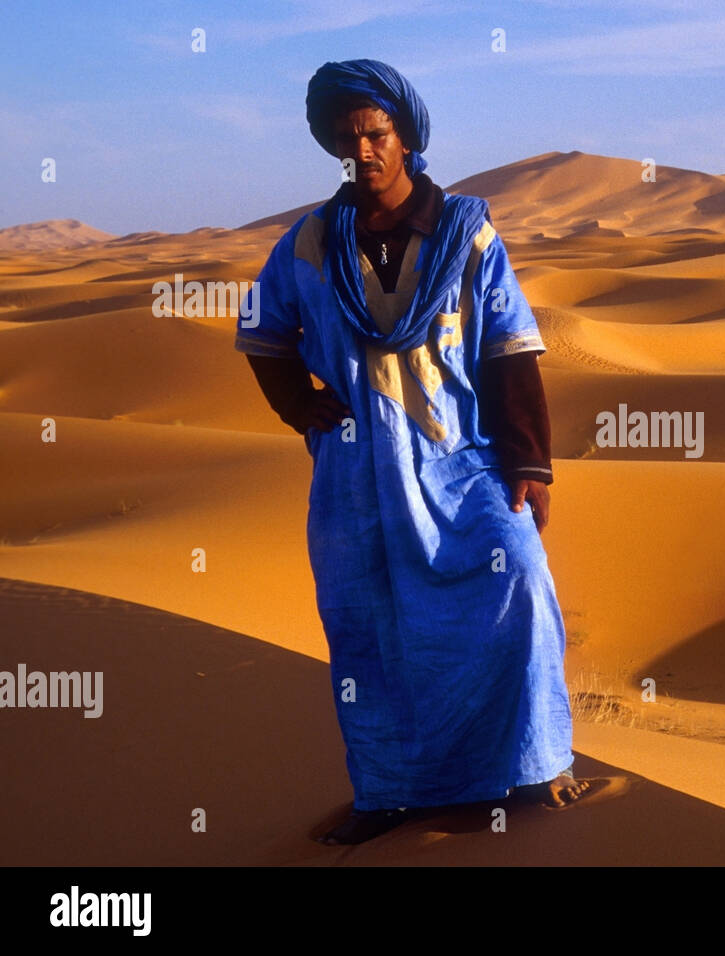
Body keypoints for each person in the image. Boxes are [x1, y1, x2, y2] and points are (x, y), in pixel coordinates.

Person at [235, 58, 591, 845]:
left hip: (462, 464)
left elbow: (509, 348)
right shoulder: (312, 242)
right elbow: (261, 332)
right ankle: (392, 794)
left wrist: (529, 462)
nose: (362, 151)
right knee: (372, 637)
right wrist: (301, 403)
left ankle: (537, 766)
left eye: (376, 134)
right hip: (357, 481)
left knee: (521, 587)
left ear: (405, 136)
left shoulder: (468, 233)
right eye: (347, 138)